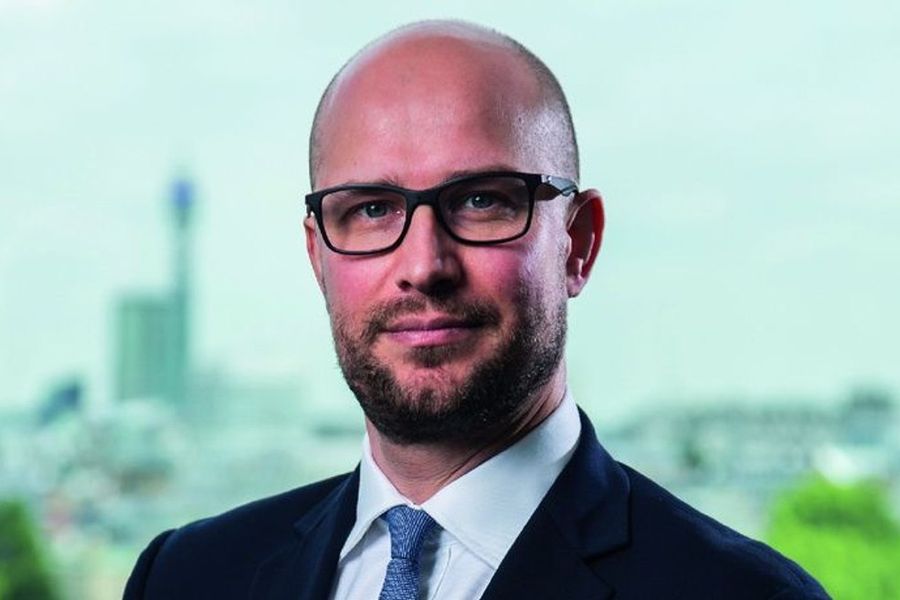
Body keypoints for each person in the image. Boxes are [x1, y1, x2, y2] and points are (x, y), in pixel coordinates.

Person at [125, 20, 829, 600]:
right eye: (371, 210)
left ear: (578, 244)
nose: (424, 264)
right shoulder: (187, 577)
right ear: (319, 257)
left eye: (482, 200)